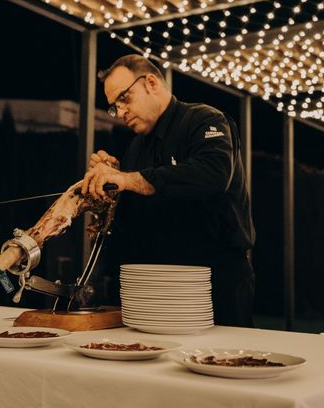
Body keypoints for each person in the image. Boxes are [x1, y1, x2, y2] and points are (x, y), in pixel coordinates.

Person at [81, 54, 256, 327]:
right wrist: (110, 189)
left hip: (214, 279)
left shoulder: (205, 120)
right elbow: (131, 213)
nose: (121, 111)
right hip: (155, 283)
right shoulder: (136, 147)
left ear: (151, 82)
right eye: (114, 107)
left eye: (124, 98)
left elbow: (212, 176)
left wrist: (128, 179)